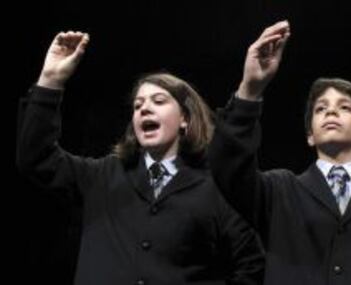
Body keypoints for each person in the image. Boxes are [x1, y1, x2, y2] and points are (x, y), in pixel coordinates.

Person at [16, 31, 265, 285]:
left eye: (158, 101)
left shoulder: (216, 188)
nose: (144, 108)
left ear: (185, 119)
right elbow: (36, 157)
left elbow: (252, 266)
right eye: (138, 105)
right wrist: (50, 80)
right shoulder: (102, 176)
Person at [208, 20, 351, 285]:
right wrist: (250, 89)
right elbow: (226, 165)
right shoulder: (279, 192)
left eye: (344, 108)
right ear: (310, 135)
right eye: (321, 108)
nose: (330, 111)